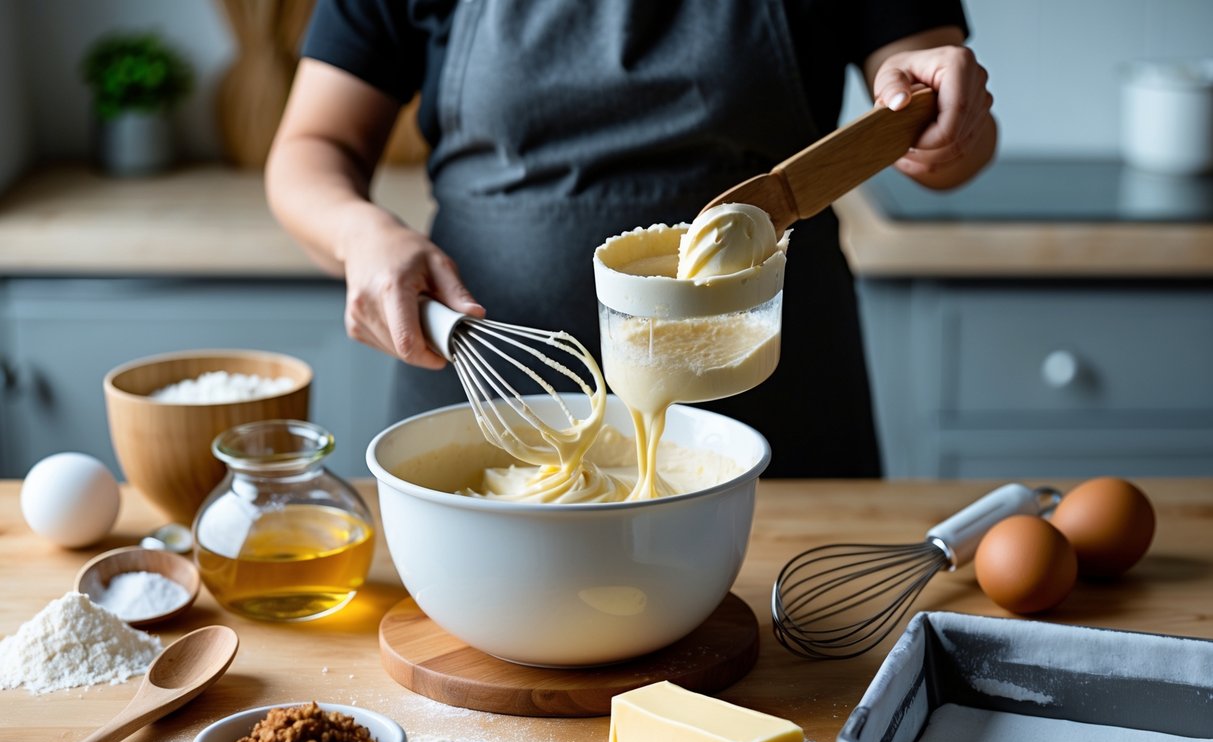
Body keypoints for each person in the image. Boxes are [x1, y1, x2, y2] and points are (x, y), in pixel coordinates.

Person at [266, 0, 996, 477]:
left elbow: (938, 133)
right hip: (489, 395)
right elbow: (310, 148)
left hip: (773, 405)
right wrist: (359, 233)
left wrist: (940, 122)